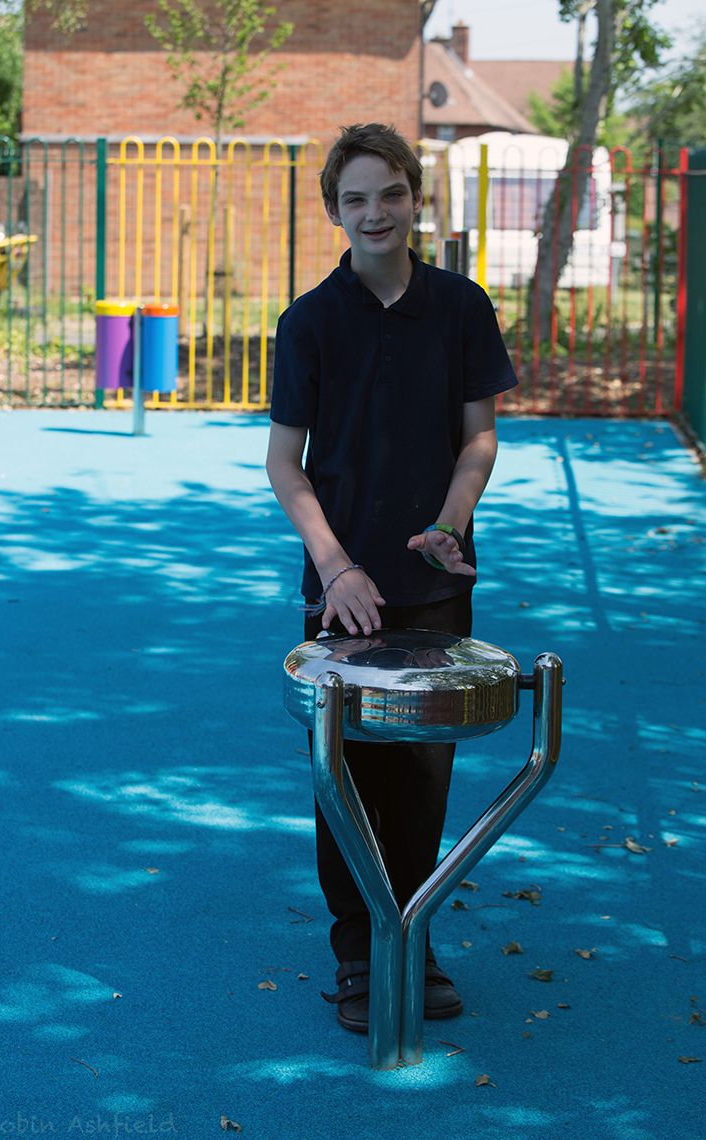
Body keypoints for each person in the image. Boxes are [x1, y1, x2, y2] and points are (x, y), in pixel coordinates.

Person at [266, 123, 517, 1034]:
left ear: (416, 197)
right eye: (356, 199)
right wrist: (335, 567)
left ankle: (413, 934)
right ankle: (358, 954)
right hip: (343, 593)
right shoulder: (310, 322)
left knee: (422, 777)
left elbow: (478, 438)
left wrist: (451, 521)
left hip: (436, 585)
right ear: (336, 213)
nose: (376, 212)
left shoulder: (462, 306)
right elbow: (285, 466)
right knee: (346, 778)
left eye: (391, 194)